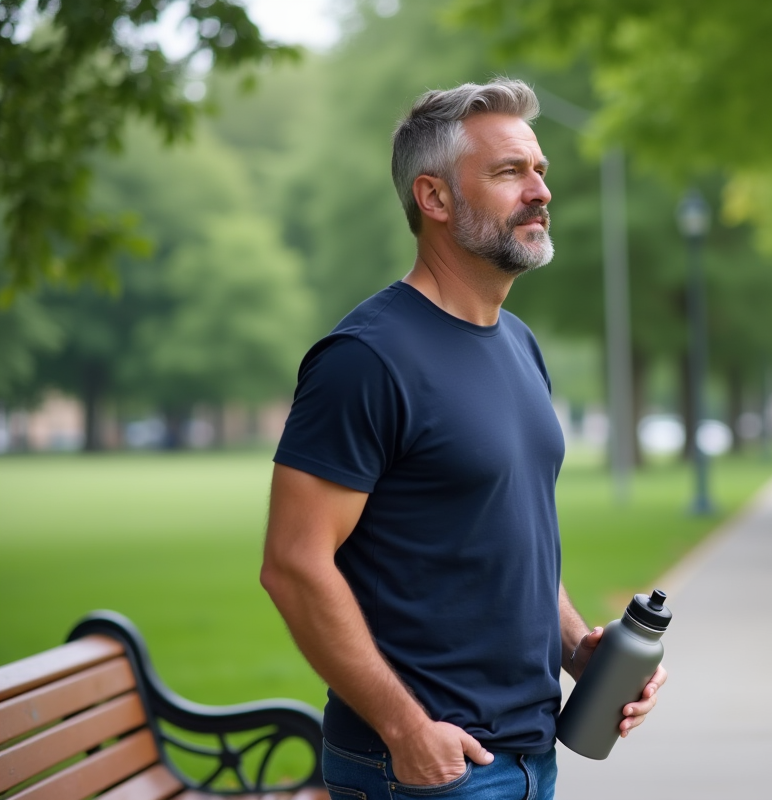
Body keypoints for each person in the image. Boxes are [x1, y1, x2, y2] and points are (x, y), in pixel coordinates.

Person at [260, 79, 666, 800]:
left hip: (529, 756)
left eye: (539, 169)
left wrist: (581, 648)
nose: (540, 191)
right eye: (510, 172)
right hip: (426, 769)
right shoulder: (365, 359)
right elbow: (293, 565)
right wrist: (405, 729)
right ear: (435, 199)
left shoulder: (519, 345)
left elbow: (509, 535)